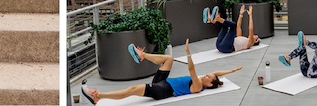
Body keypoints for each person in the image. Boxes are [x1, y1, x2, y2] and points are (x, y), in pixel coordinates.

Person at [80, 39, 241, 102]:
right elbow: (216, 74)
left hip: (164, 90)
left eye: (208, 76)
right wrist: (230, 71)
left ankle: (97, 96)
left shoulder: (198, 86)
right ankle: (142, 55)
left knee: (133, 89)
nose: (206, 74)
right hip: (162, 82)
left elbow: (191, 68)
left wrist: (187, 53)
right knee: (169, 59)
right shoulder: (205, 81)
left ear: (209, 84)